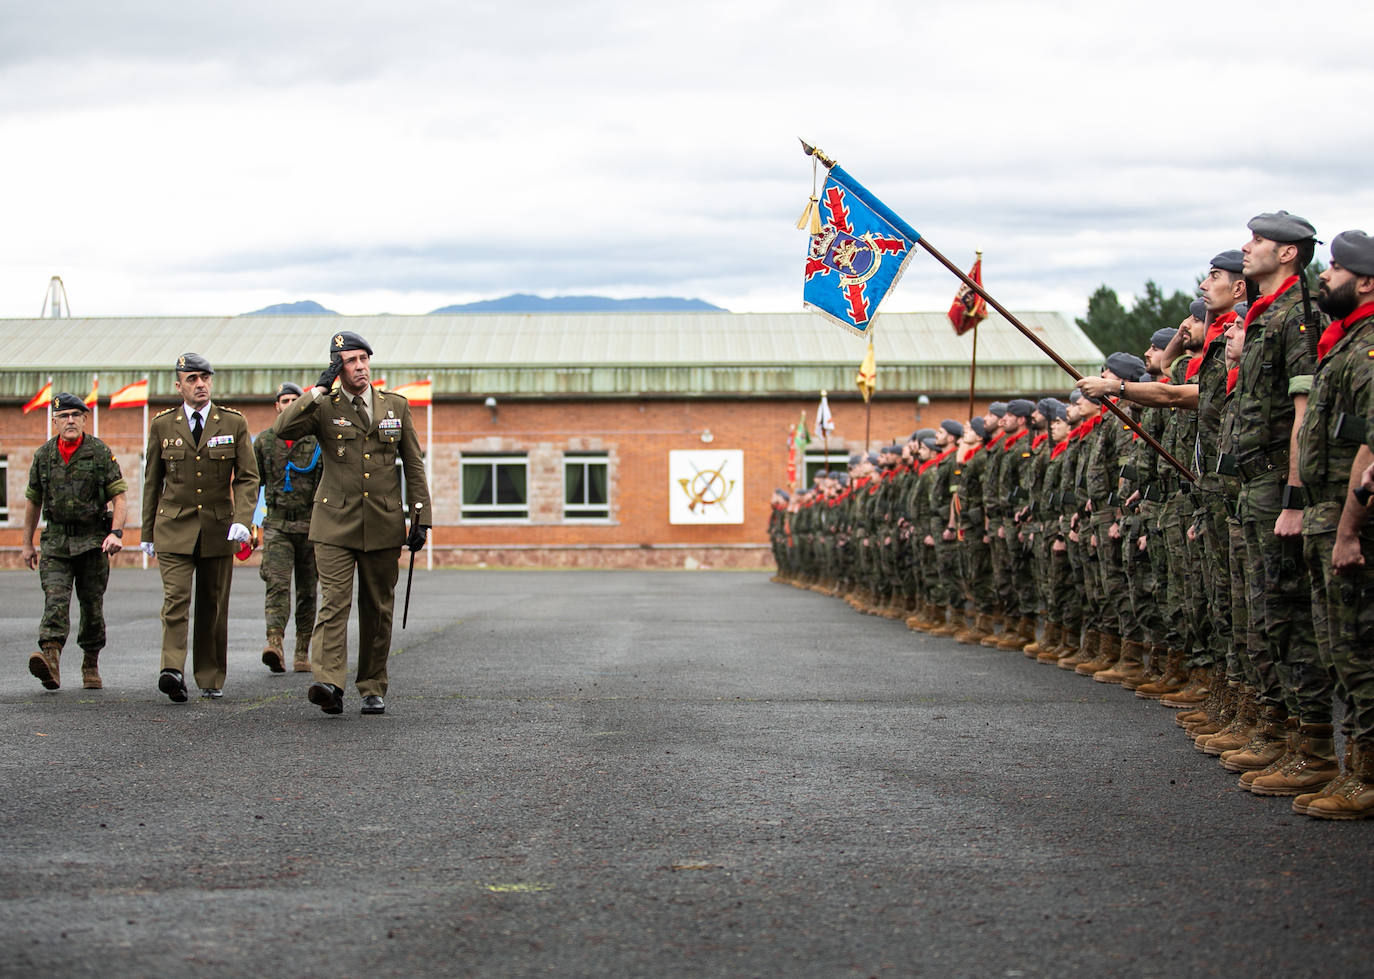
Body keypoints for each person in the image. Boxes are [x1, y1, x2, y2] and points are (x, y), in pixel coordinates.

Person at [274, 331, 432, 716]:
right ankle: (329, 682)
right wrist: (315, 391)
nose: (360, 366)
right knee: (334, 603)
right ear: (337, 367)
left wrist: (421, 516)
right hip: (334, 522)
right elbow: (283, 430)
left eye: (364, 359)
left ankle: (372, 685)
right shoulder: (323, 406)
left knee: (378, 607)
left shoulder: (395, 406)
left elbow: (413, 463)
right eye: (350, 361)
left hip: (382, 519)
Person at [142, 353, 260, 702]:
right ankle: (172, 670)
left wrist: (243, 519)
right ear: (178, 385)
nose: (200, 384)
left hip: (218, 527)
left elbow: (248, 477)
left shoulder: (233, 423)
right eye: (192, 378)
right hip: (173, 528)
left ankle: (209, 676)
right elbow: (152, 482)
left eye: (205, 377)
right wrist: (146, 533)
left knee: (213, 604)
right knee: (175, 600)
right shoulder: (163, 425)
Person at [21, 392, 128, 690]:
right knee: (55, 601)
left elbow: (119, 498)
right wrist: (26, 543)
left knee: (92, 607)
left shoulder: (99, 453)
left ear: (84, 419)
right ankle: (50, 661)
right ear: (54, 421)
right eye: (64, 415)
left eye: (75, 415)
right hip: (56, 542)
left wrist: (116, 533)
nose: (70, 420)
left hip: (93, 542)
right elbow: (33, 502)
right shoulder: (44, 456)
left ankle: (90, 662)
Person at [254, 382, 322, 673]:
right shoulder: (265, 441)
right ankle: (275, 644)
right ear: (277, 407)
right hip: (278, 525)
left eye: (296, 400)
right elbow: (250, 483)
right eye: (285, 401)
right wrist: (249, 523)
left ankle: (302, 651)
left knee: (308, 591)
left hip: (311, 526)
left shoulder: (317, 442)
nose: (290, 404)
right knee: (277, 586)